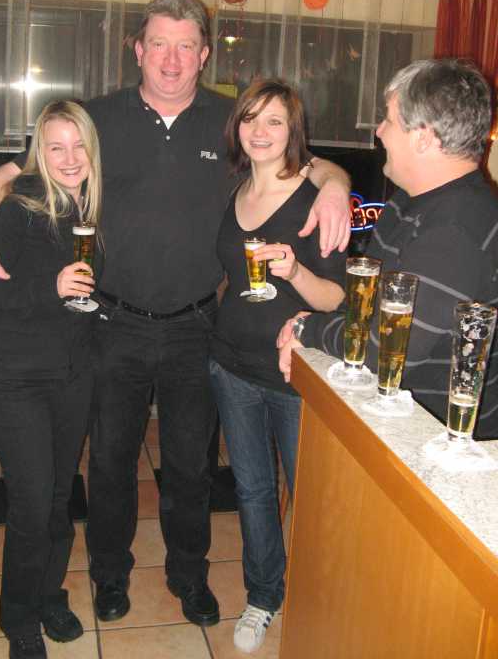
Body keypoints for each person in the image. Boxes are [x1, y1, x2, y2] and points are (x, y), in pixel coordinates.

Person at [0, 0, 352, 627]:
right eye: (159, 45)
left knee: (191, 467)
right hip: (112, 323)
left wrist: (335, 185)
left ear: (204, 54)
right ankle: (109, 574)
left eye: (185, 46)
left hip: (197, 327)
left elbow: (297, 152)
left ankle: (189, 576)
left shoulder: (228, 120)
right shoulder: (98, 118)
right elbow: (16, 171)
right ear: (138, 50)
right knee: (110, 463)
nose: (171, 60)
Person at [279, 58, 498, 440]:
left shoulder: (457, 228)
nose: (379, 131)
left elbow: (389, 349)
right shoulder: (411, 202)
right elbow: (361, 308)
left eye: (389, 120)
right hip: (401, 426)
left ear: (423, 138)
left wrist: (306, 327)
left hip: (438, 442)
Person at [209, 79, 346, 653]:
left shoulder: (316, 199)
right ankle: (263, 596)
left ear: (294, 132)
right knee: (253, 491)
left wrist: (294, 272)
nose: (260, 131)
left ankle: (323, 603)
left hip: (295, 377)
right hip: (231, 367)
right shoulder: (235, 188)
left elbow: (335, 299)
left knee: (312, 499)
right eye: (251, 119)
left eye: (274, 121)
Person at [0, 100, 101, 659]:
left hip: (72, 375)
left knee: (57, 497)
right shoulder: (19, 209)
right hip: (18, 378)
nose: (69, 158)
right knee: (30, 505)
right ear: (39, 153)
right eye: (56, 147)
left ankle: (49, 593)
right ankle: (18, 617)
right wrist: (50, 288)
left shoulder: (91, 208)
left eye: (78, 146)